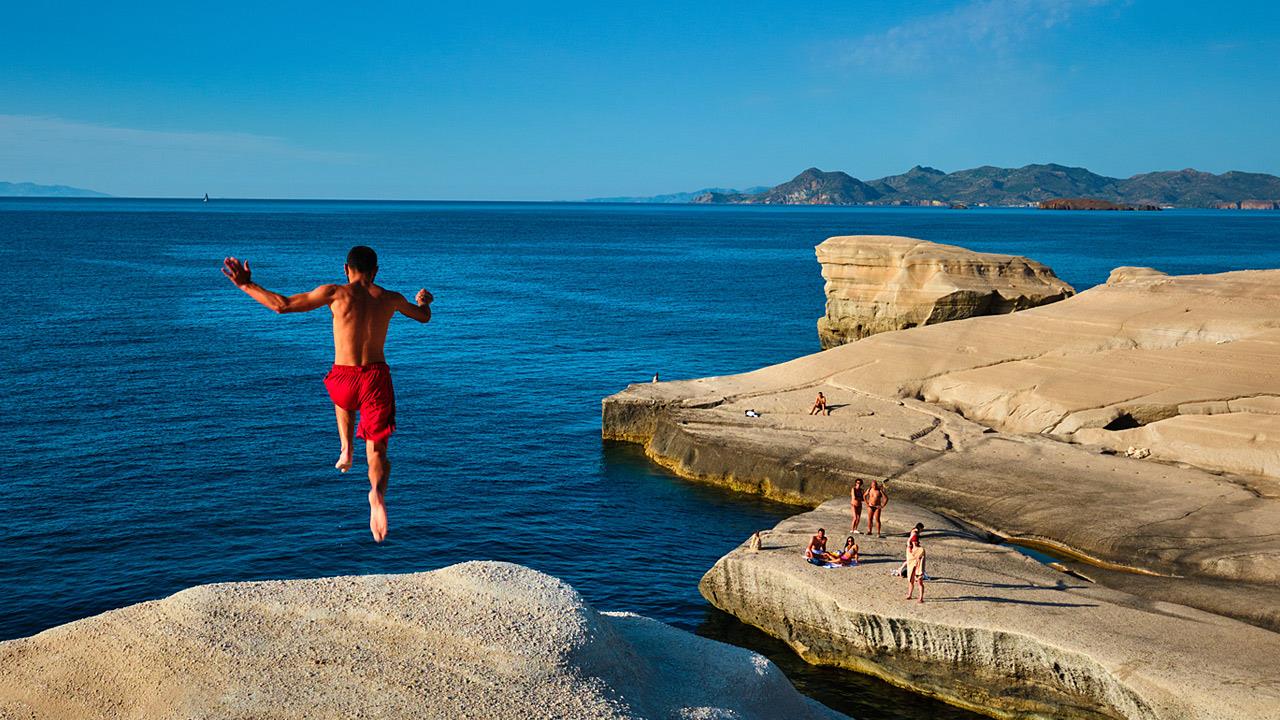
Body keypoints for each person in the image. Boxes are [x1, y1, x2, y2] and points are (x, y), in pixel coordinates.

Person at [222, 246, 433, 543]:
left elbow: (282, 305)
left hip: (343, 378)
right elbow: (423, 317)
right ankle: (376, 495)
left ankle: (346, 448)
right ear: (376, 271)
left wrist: (246, 284)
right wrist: (423, 301)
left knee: (342, 396)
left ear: (346, 269)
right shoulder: (391, 299)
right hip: (375, 377)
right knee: (377, 451)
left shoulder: (335, 293)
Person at [905, 533, 927, 603]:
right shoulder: (909, 549)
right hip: (911, 566)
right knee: (911, 581)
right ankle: (909, 594)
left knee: (920, 582)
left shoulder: (921, 549)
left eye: (916, 541)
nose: (915, 542)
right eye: (914, 541)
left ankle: (921, 597)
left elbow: (921, 558)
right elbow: (908, 542)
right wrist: (912, 535)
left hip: (919, 567)